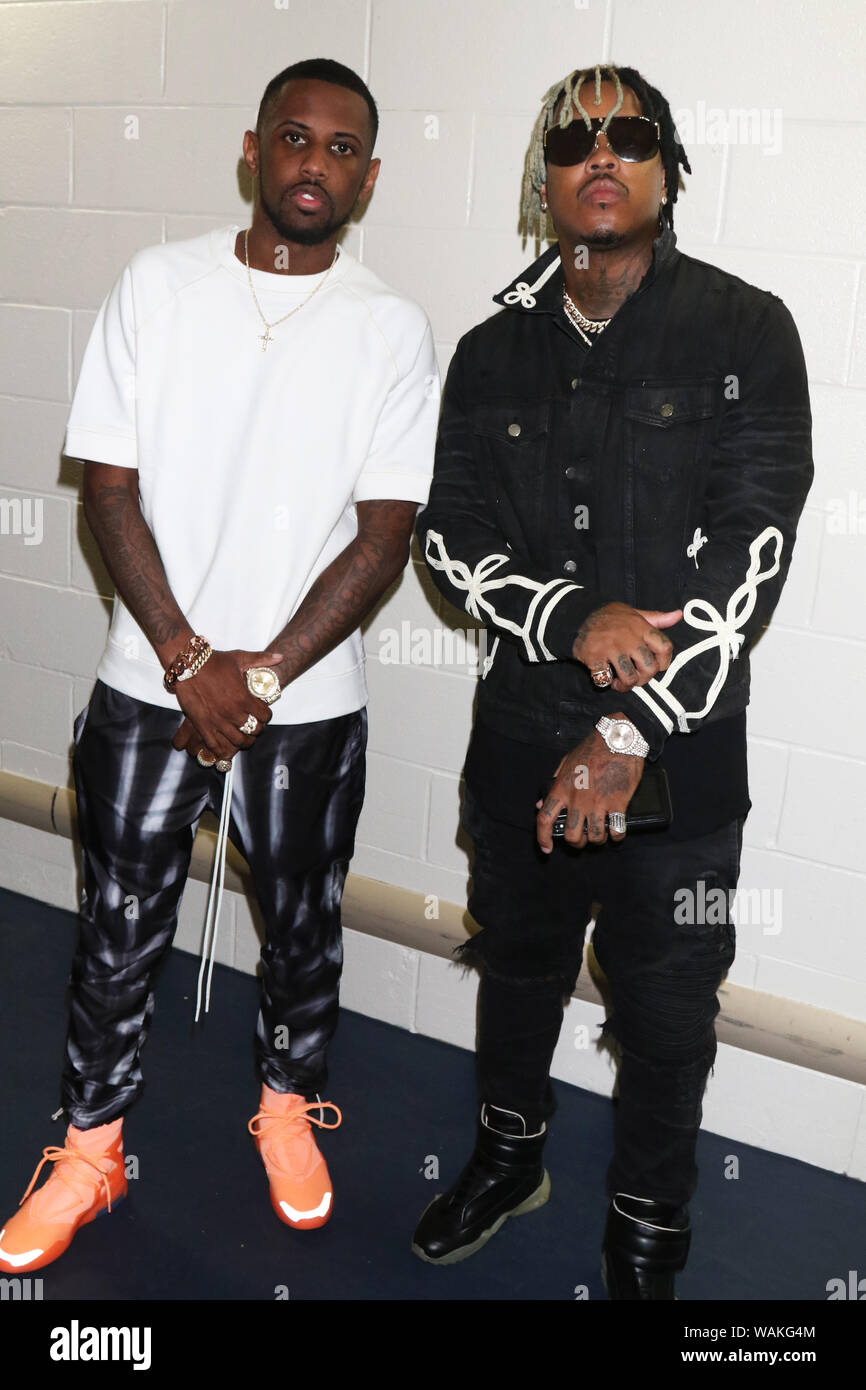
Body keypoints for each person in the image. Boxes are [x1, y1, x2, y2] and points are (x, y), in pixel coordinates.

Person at [0, 57, 438, 1275]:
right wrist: (191, 657)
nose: (315, 164)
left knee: (302, 925)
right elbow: (110, 490)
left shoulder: (392, 327)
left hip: (312, 700)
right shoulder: (157, 285)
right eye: (294, 140)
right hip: (149, 685)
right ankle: (89, 1150)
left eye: (342, 148)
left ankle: (288, 1109)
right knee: (118, 926)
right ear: (253, 151)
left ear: (369, 175)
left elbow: (385, 532)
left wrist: (258, 676)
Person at [411, 62, 812, 1298]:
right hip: (521, 726)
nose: (601, 152)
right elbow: (445, 534)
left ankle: (649, 1222)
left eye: (628, 135)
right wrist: (569, 614)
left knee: (667, 1002)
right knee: (517, 961)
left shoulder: (745, 328)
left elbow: (752, 551)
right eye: (573, 138)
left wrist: (630, 723)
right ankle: (507, 1151)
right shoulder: (489, 350)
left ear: (666, 168)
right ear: (544, 180)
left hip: (681, 753)